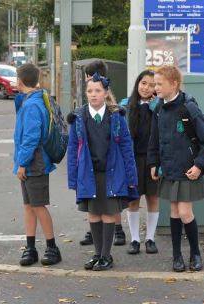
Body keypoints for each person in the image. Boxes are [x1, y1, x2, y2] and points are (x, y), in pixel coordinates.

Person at [67, 73, 138, 271]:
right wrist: (73, 177)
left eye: (98, 91)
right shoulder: (79, 117)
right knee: (93, 214)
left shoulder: (116, 117)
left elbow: (126, 148)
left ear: (106, 93)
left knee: (108, 213)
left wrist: (132, 177)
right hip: (88, 174)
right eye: (90, 91)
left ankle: (107, 256)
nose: (93, 94)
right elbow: (73, 148)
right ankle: (97, 254)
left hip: (112, 173)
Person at [147, 66, 204, 272]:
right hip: (168, 169)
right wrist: (153, 163)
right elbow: (154, 139)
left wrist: (199, 165)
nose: (155, 87)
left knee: (185, 212)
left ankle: (195, 253)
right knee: (175, 211)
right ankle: (177, 256)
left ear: (174, 84)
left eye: (159, 84)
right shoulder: (158, 108)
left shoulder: (189, 108)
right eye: (154, 84)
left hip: (188, 170)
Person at [13, 63, 62, 267]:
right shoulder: (33, 99)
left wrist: (22, 163)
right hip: (29, 160)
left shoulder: (33, 105)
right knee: (29, 205)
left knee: (38, 205)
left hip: (35, 162)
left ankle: (52, 247)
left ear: (20, 81)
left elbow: (31, 137)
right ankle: (30, 247)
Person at [79, 60, 128, 247]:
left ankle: (117, 229)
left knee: (109, 200)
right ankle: (107, 232)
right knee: (101, 201)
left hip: (108, 164)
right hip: (97, 166)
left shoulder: (110, 106)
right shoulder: (96, 99)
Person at [125, 70, 160, 255]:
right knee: (133, 200)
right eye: (144, 83)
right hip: (133, 159)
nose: (147, 88)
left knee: (153, 198)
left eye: (152, 84)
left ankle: (150, 238)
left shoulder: (159, 107)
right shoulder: (128, 106)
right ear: (137, 83)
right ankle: (135, 239)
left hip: (153, 159)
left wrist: (155, 104)